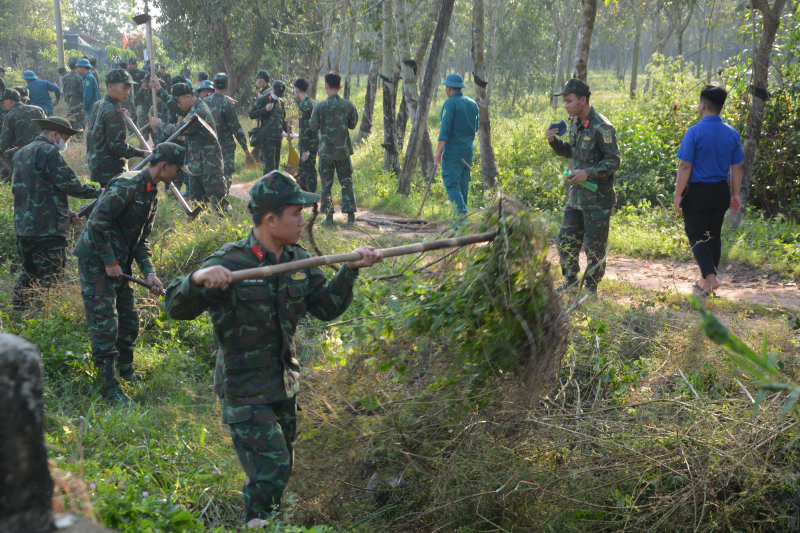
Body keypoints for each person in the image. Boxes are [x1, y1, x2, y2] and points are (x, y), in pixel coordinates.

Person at [162, 170, 383, 526]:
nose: (302, 220)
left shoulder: (297, 259)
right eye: (296, 213)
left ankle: (267, 522)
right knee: (272, 471)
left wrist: (350, 270)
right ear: (270, 219)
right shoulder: (231, 262)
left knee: (280, 470)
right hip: (244, 389)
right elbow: (175, 307)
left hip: (283, 383)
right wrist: (196, 279)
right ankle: (258, 525)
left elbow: (325, 308)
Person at [72, 142, 184, 404]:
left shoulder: (151, 194)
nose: (179, 175)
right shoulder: (127, 185)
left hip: (119, 264)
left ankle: (126, 371)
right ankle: (110, 386)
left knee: (129, 319)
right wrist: (110, 262)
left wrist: (150, 273)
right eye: (178, 169)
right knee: (105, 323)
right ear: (164, 165)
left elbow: (140, 241)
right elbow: (97, 221)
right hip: (96, 260)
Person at [11, 116, 101, 310]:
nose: (65, 143)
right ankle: (47, 320)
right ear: (55, 134)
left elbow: (30, 190)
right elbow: (71, 185)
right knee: (51, 278)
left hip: (23, 227)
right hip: (47, 230)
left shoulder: (20, 153)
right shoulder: (49, 151)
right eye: (66, 139)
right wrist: (100, 192)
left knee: (29, 273)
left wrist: (65, 211)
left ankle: (17, 315)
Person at [546, 78, 621, 294]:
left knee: (593, 246)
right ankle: (570, 281)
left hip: (597, 200)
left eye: (569, 101)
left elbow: (613, 161)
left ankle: (590, 289)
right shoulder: (576, 123)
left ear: (583, 100)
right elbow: (573, 152)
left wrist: (586, 172)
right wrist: (554, 143)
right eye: (564, 102)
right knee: (565, 238)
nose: (566, 105)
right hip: (577, 197)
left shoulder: (602, 126)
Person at [674, 85, 743, 297]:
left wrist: (678, 195)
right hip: (721, 191)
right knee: (713, 235)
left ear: (702, 105)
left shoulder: (694, 132)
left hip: (698, 193)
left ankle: (711, 279)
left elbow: (685, 166)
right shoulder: (732, 133)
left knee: (695, 235)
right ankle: (705, 281)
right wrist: (734, 194)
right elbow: (737, 167)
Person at [150, 82, 226, 210]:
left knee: (220, 205)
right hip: (196, 166)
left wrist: (160, 124)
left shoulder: (198, 112)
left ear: (188, 97)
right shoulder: (192, 108)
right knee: (198, 205)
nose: (179, 105)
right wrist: (159, 90)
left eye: (180, 101)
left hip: (210, 166)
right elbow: (175, 106)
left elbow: (178, 130)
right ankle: (204, 228)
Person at [309, 71, 359, 226]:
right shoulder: (348, 105)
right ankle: (351, 219)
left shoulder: (319, 107)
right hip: (343, 152)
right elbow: (352, 124)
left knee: (326, 185)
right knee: (346, 183)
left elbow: (312, 126)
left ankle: (329, 218)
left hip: (326, 153)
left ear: (326, 86)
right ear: (341, 86)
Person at [85, 69, 149, 187]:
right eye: (124, 88)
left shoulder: (98, 104)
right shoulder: (113, 112)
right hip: (111, 170)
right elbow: (117, 146)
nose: (128, 92)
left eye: (129, 89)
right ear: (110, 87)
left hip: (97, 167)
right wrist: (142, 153)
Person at [434, 73, 478, 217]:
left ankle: (462, 218)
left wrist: (438, 152)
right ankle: (460, 223)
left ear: (449, 88)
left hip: (453, 152)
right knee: (463, 185)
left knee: (452, 184)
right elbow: (475, 127)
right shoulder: (473, 104)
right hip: (467, 152)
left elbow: (445, 131)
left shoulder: (450, 104)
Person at [206, 73, 251, 192]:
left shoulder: (204, 102)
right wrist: (246, 149)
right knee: (225, 175)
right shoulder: (228, 105)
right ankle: (222, 201)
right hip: (225, 147)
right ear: (227, 87)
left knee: (211, 175)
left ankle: (212, 201)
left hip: (208, 146)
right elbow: (236, 128)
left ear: (214, 86)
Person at [249, 71, 287, 175]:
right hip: (267, 139)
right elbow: (252, 114)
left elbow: (282, 119)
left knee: (276, 167)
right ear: (271, 89)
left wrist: (289, 132)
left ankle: (274, 190)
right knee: (269, 168)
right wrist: (265, 109)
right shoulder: (263, 99)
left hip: (278, 139)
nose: (277, 96)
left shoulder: (281, 102)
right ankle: (266, 190)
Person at [293, 77, 318, 192]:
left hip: (307, 146)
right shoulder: (313, 103)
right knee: (303, 170)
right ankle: (303, 195)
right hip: (314, 143)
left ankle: (311, 197)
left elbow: (304, 130)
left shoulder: (303, 107)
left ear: (296, 90)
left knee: (308, 171)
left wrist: (304, 150)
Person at [63, 58, 85, 133]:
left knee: (70, 119)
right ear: (77, 67)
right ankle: (78, 137)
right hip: (78, 102)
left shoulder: (65, 77)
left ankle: (70, 136)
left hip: (69, 102)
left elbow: (64, 89)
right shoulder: (79, 77)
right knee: (78, 120)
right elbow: (82, 91)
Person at [117, 62, 138, 131]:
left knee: (126, 120)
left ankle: (130, 133)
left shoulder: (121, 76)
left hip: (125, 101)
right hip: (130, 100)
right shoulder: (128, 75)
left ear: (119, 66)